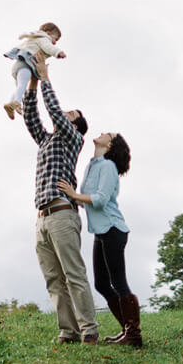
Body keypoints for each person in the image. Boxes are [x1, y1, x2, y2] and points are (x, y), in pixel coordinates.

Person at [22, 69, 98, 344]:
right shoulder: (46, 141)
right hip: (42, 219)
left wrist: (44, 77)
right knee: (53, 279)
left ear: (76, 126)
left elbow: (53, 110)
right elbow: (31, 117)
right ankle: (68, 331)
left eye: (71, 114)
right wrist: (31, 80)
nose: (65, 113)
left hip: (63, 214)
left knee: (73, 274)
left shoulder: (73, 139)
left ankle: (89, 328)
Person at [57, 131, 141, 347]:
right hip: (101, 231)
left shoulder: (108, 167)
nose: (103, 133)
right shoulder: (92, 165)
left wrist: (74, 195)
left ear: (110, 144)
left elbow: (101, 200)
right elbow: (89, 201)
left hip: (113, 229)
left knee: (118, 282)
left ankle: (133, 334)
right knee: (102, 283)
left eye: (108, 134)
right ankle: (127, 330)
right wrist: (73, 200)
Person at [3, 22, 66, 120]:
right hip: (26, 64)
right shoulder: (44, 38)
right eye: (55, 39)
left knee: (19, 87)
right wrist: (58, 52)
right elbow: (48, 48)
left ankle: (10, 104)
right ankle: (16, 103)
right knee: (22, 86)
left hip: (18, 65)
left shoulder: (33, 38)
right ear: (48, 33)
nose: (55, 42)